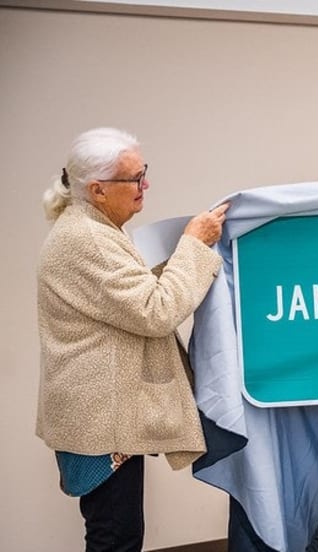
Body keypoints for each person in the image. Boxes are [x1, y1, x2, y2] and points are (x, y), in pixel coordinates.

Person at [35, 127, 229, 551]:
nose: (146, 185)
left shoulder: (93, 228)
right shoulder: (89, 239)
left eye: (144, 173)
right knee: (115, 537)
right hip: (100, 419)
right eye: (135, 178)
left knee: (117, 533)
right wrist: (194, 246)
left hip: (102, 413)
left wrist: (184, 253)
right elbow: (155, 311)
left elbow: (129, 298)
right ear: (98, 190)